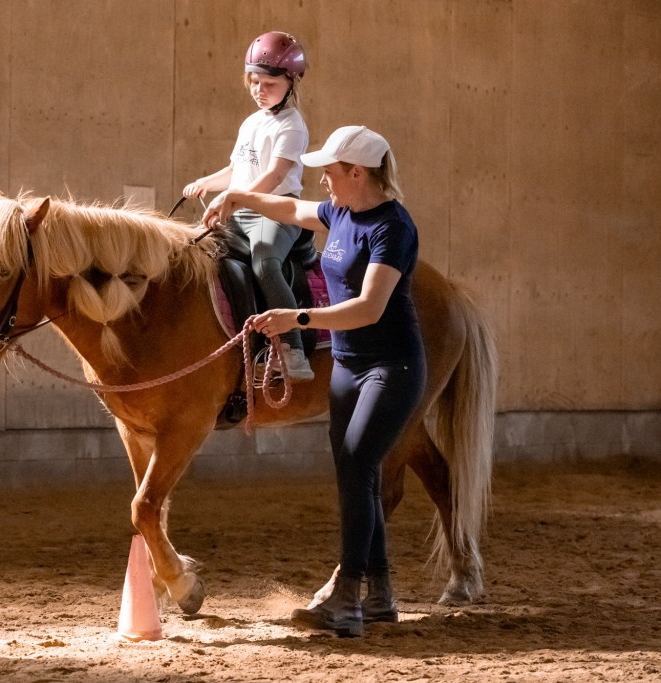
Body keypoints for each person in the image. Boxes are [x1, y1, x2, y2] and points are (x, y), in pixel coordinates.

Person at [202, 125, 426, 637]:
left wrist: (296, 318)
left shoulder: (393, 227)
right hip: (348, 366)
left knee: (358, 466)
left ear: (357, 172)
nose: (322, 179)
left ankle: (348, 597)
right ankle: (380, 594)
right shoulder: (339, 213)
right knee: (354, 469)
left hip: (392, 366)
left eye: (331, 170)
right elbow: (290, 211)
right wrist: (239, 194)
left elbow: (370, 308)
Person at [183, 31, 314, 380]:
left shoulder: (292, 126)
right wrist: (206, 184)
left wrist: (234, 197)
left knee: (265, 262)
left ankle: (293, 348)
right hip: (238, 210)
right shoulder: (251, 122)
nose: (259, 89)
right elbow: (234, 170)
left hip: (276, 211)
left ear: (291, 81)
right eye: (254, 81)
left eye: (269, 82)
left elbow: (273, 177)